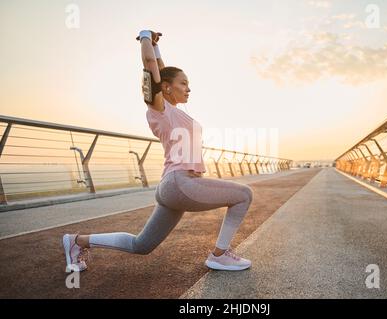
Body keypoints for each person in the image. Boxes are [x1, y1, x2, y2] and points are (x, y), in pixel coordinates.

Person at [62, 29, 254, 272]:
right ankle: (219, 255)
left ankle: (76, 242)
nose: (188, 89)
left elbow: (160, 68)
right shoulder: (159, 110)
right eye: (183, 83)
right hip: (180, 182)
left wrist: (156, 46)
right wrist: (144, 36)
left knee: (141, 244)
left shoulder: (174, 110)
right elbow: (151, 65)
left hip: (172, 187)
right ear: (166, 88)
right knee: (244, 195)